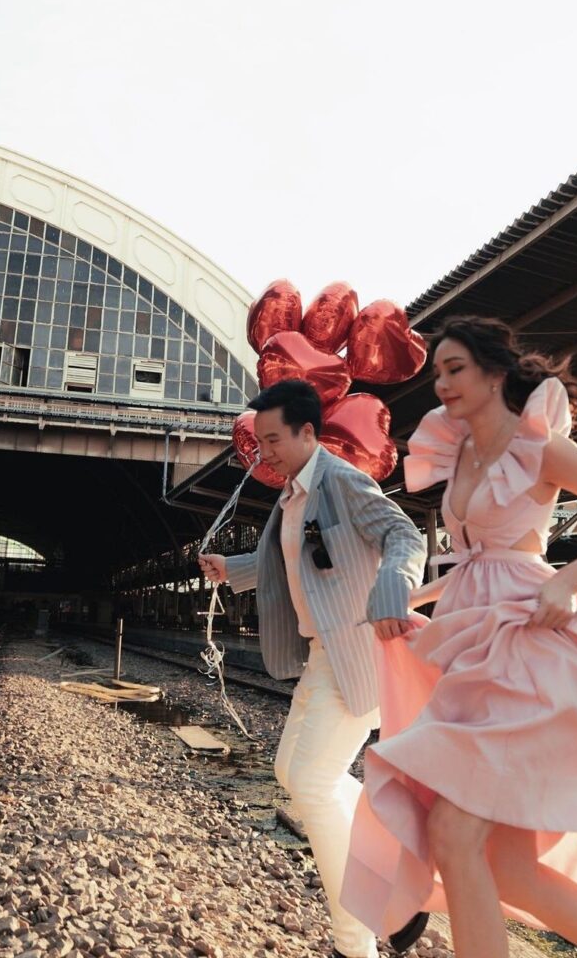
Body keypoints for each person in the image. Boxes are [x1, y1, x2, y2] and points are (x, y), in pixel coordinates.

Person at [340, 316, 577, 958]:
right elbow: (477, 564)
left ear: (496, 374)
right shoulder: (461, 455)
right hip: (476, 646)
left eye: (455, 369)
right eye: (438, 373)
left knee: (452, 830)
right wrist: (407, 602)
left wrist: (568, 582)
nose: (442, 384)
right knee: (511, 869)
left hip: (532, 647)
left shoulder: (540, 446)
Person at [199, 379, 428, 958]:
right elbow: (290, 560)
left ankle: (358, 941)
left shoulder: (341, 480)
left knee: (312, 783)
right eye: (260, 441)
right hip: (321, 654)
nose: (265, 452)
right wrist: (233, 567)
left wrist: (394, 589)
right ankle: (397, 864)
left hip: (356, 650)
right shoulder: (292, 495)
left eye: (273, 440)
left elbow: (404, 534)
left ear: (308, 432)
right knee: (291, 772)